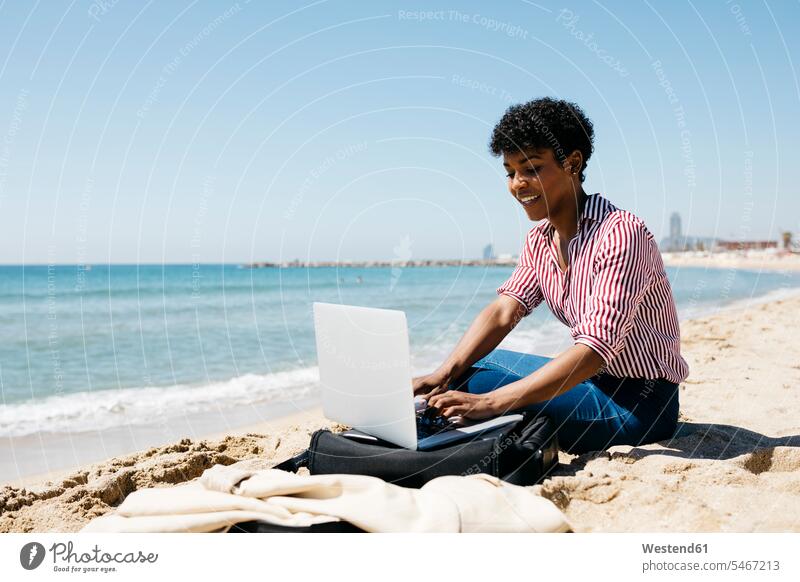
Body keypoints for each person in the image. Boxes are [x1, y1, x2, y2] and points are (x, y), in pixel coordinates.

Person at [413, 97, 689, 454]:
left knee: (481, 388)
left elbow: (595, 350)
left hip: (637, 406)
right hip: (592, 384)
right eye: (510, 172)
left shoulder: (621, 233)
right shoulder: (540, 239)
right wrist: (444, 371)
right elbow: (504, 311)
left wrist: (494, 403)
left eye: (531, 169)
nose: (518, 184)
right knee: (464, 374)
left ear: (572, 162)